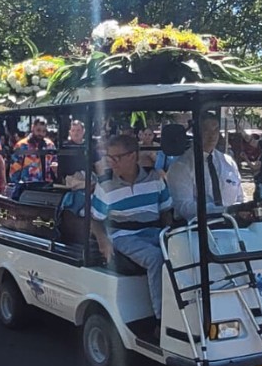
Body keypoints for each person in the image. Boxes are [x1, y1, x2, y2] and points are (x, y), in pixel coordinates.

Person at [90, 134, 173, 336]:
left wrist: (173, 235)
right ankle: (162, 320)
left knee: (185, 252)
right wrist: (103, 241)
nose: (112, 162)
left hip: (154, 231)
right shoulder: (105, 185)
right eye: (109, 157)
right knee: (156, 258)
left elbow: (166, 212)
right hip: (124, 236)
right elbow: (94, 219)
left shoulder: (155, 178)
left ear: (133, 156)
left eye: (117, 157)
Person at [166, 114, 244, 221]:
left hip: (233, 227)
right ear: (195, 132)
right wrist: (221, 211)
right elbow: (183, 207)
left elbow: (240, 197)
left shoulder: (228, 162)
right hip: (196, 230)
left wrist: (239, 211)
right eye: (206, 130)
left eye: (215, 129)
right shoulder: (181, 167)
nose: (212, 136)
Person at [8, 117, 56, 183]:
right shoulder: (22, 145)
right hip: (27, 186)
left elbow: (55, 163)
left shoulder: (50, 145)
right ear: (32, 128)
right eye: (38, 130)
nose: (41, 134)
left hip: (47, 185)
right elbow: (14, 170)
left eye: (43, 131)